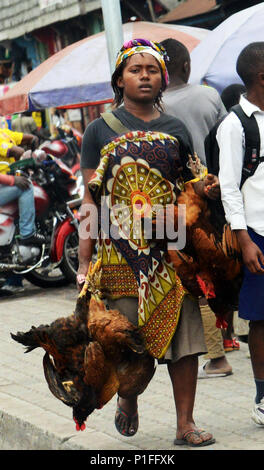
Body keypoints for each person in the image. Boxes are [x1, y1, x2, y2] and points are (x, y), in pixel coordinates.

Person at [77, 38, 218, 447]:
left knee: (186, 338)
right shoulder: (98, 129)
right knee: (123, 341)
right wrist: (85, 265)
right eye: (135, 70)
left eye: (152, 70)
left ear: (163, 79)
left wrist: (203, 194)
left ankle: (185, 424)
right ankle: (128, 398)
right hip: (118, 248)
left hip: (171, 246)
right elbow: (91, 199)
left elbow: (188, 186)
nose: (144, 76)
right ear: (119, 79)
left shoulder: (176, 128)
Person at [160, 38, 233, 377]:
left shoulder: (155, 109)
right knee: (225, 262)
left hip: (178, 203)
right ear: (187, 66)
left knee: (196, 276)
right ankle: (235, 335)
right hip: (216, 193)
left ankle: (218, 357)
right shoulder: (209, 96)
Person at [217, 41, 264, 425]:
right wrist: (244, 239)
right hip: (258, 234)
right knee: (261, 319)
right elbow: (229, 186)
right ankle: (263, 397)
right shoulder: (235, 125)